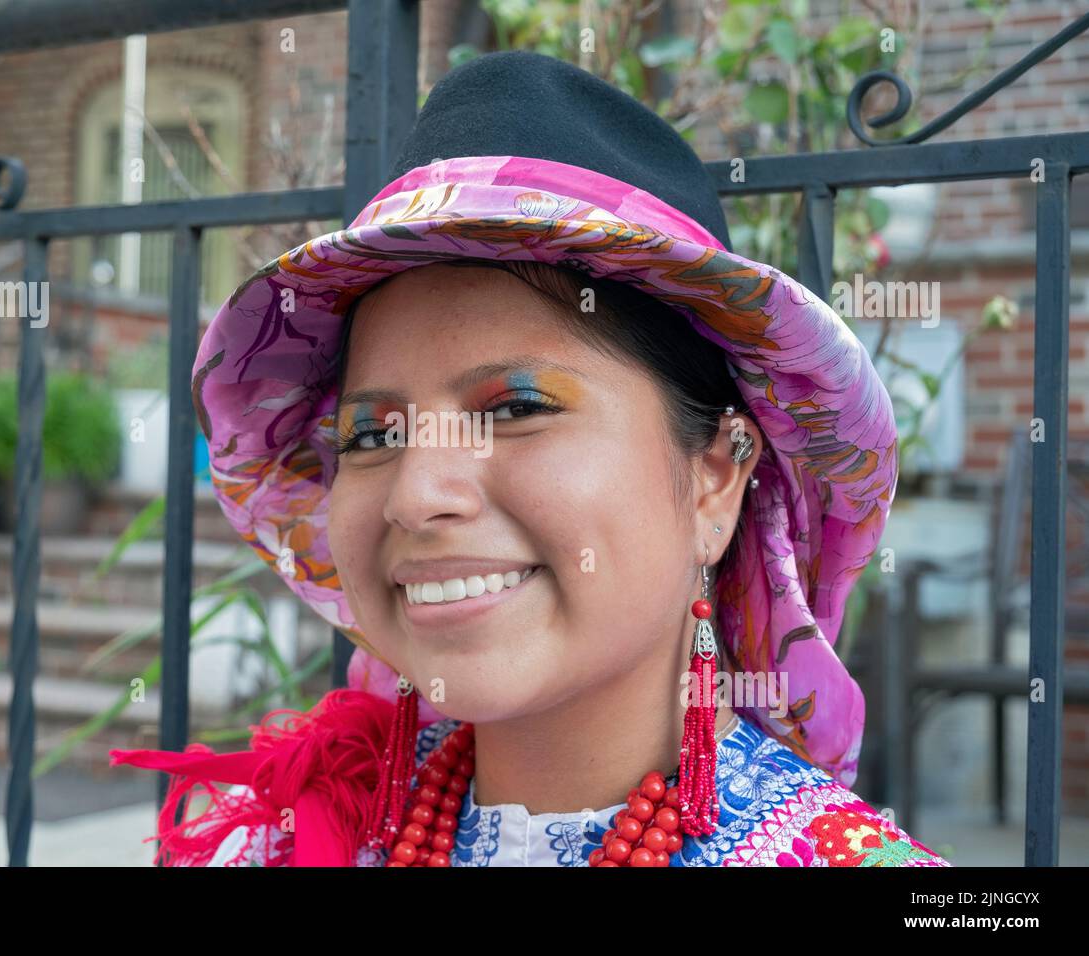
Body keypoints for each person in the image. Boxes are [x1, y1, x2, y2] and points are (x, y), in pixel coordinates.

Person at [110, 49, 950, 868]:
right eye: (371, 435)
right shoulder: (283, 841)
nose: (417, 494)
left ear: (716, 478)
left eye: (515, 408)